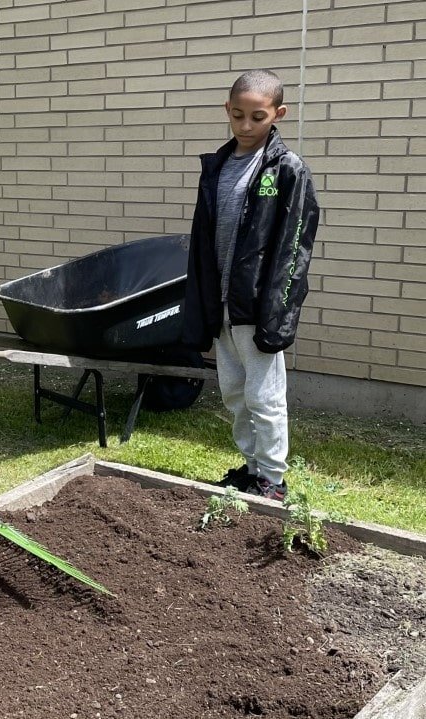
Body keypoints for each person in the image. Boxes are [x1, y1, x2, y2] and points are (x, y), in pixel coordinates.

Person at [181, 69, 319, 502]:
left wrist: (277, 312)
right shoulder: (217, 167)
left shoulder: (287, 170)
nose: (245, 125)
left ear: (278, 114)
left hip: (256, 307)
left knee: (264, 394)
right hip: (220, 305)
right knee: (235, 395)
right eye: (237, 115)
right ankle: (252, 468)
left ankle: (273, 481)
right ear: (227, 110)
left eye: (257, 117)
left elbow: (294, 249)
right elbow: (204, 242)